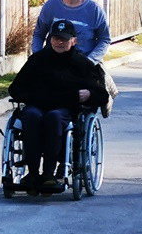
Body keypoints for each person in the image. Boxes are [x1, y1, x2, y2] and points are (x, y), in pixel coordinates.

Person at [9, 19, 108, 194]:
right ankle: (31, 173)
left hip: (64, 110)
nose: (59, 42)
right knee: (31, 116)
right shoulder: (37, 60)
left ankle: (49, 174)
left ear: (74, 41)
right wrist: (36, 97)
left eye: (64, 39)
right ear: (50, 39)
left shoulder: (82, 64)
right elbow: (15, 89)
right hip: (38, 106)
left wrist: (90, 94)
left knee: (53, 118)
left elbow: (102, 94)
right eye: (56, 38)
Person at [32, 0, 111, 63]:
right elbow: (38, 35)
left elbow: (104, 39)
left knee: (104, 79)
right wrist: (38, 58)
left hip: (85, 65)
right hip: (54, 63)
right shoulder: (51, 6)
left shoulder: (94, 9)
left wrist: (90, 61)